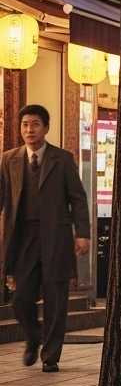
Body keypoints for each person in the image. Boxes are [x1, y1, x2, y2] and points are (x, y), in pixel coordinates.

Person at [0, 105, 91, 372]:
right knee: (20, 298)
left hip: (57, 237)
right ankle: (32, 336)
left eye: (36, 124)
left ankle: (50, 355)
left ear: (46, 128)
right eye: (25, 124)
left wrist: (82, 234)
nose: (30, 129)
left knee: (56, 298)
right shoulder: (9, 159)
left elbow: (77, 198)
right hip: (23, 237)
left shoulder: (62, 159)